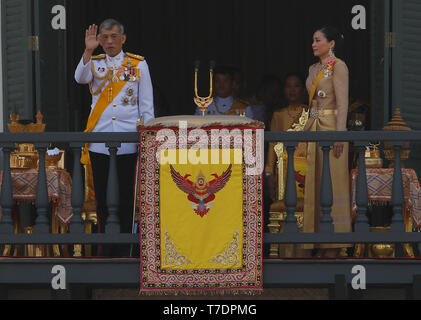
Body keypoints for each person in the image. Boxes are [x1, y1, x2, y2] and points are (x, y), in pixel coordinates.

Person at [74, 19, 154, 256]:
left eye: (113, 37)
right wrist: (88, 50)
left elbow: (146, 105)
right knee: (102, 198)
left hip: (128, 141)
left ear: (123, 38)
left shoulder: (138, 64)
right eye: (104, 37)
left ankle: (126, 249)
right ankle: (106, 249)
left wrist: (147, 138)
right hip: (100, 140)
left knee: (126, 197)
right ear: (99, 39)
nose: (109, 41)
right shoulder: (95, 63)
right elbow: (80, 77)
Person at [303, 26, 351, 257]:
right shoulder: (313, 68)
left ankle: (333, 243)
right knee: (316, 182)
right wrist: (306, 128)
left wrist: (340, 135)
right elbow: (313, 106)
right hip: (315, 129)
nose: (314, 44)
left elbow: (343, 104)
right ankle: (316, 240)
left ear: (331, 43)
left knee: (332, 183)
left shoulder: (338, 67)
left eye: (318, 40)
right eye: (312, 40)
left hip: (332, 130)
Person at [265, 73, 308, 200]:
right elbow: (273, 144)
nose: (292, 90)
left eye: (296, 86)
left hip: (306, 167)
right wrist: (269, 172)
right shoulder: (278, 114)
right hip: (283, 167)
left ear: (303, 89)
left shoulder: (311, 112)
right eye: (288, 86)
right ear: (284, 90)